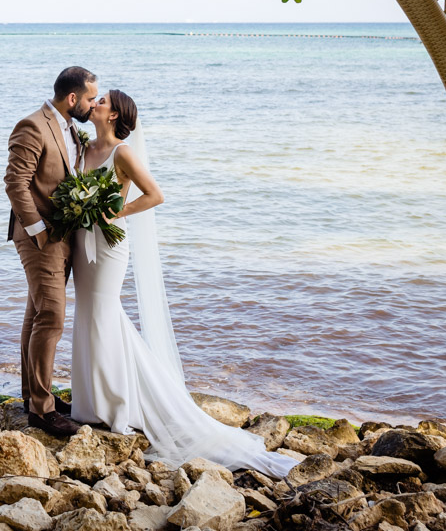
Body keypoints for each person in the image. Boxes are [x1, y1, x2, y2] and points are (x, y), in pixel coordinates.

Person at [71, 89, 298, 478]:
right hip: (81, 242)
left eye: (104, 100)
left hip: (108, 245)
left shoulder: (122, 153)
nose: (97, 103)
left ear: (114, 115)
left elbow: (155, 195)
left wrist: (115, 214)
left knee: (105, 313)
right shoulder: (82, 147)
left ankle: (119, 403)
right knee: (86, 313)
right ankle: (90, 403)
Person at [4, 66, 99, 437]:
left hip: (64, 235)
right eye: (91, 98)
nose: (93, 105)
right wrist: (39, 231)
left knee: (37, 313)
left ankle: (33, 395)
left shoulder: (72, 127)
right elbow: (16, 183)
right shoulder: (32, 125)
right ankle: (42, 412)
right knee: (53, 318)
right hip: (40, 237)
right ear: (72, 98)